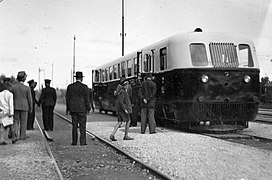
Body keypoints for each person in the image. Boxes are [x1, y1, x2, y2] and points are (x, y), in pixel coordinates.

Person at [66, 71, 91, 146]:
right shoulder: (85, 87)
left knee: (74, 126)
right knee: (82, 126)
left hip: (73, 109)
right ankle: (82, 142)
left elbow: (67, 99)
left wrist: (68, 109)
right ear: (81, 79)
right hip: (82, 109)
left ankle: (74, 142)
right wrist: (88, 108)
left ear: (76, 78)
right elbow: (87, 99)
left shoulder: (70, 87)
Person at [12, 71, 33, 140]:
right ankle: (22, 136)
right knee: (24, 121)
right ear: (24, 79)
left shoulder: (13, 87)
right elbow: (30, 99)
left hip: (15, 106)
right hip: (24, 106)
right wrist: (31, 108)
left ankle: (15, 134)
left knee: (16, 121)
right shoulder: (27, 88)